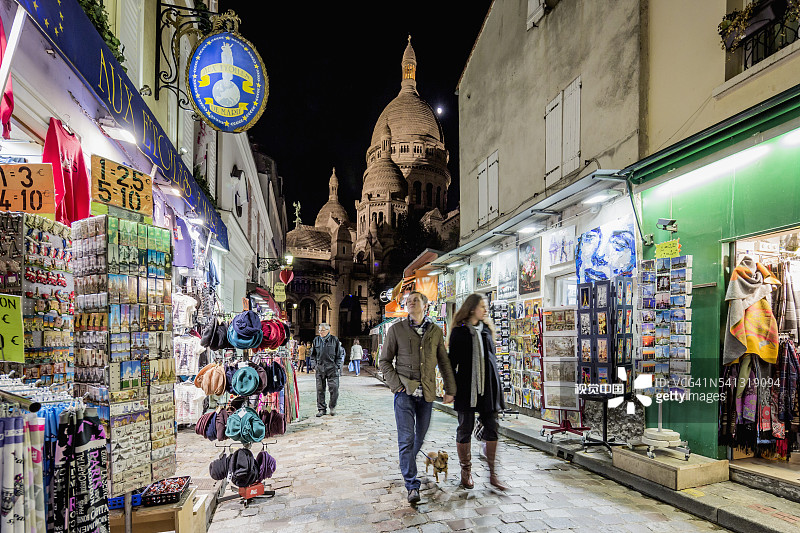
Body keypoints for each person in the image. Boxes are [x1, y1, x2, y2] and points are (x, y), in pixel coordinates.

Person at [379, 291, 456, 505]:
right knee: (407, 439)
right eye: (407, 301)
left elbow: (444, 362)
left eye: (415, 300)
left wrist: (450, 388)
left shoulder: (435, 331)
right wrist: (397, 386)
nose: (410, 303)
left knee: (419, 437)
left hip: (427, 393)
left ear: (425, 305)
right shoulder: (396, 330)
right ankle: (412, 485)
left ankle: (407, 465)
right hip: (405, 393)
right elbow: (384, 361)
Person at [448, 293, 507, 491]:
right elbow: (451, 363)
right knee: (465, 427)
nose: (485, 309)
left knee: (492, 427)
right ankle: (466, 471)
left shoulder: (487, 331)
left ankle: (492, 474)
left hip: (489, 388)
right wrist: (450, 389)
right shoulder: (459, 332)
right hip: (467, 388)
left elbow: (492, 360)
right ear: (473, 308)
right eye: (482, 306)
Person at [310, 324, 343, 417]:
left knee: (334, 388)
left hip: (332, 368)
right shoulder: (316, 340)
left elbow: (339, 355)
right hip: (320, 368)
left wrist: (337, 366)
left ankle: (332, 407)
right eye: (319, 330)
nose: (320, 332)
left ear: (328, 330)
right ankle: (321, 409)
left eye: (322, 330)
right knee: (320, 389)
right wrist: (314, 366)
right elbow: (312, 355)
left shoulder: (334, 340)